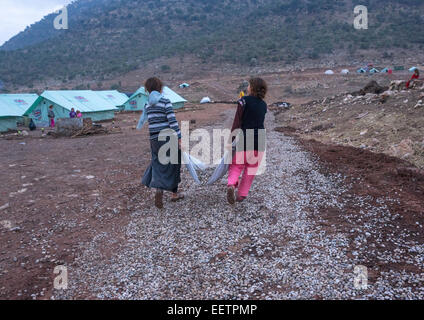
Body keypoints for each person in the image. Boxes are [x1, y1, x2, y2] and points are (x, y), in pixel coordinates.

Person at [141, 77, 184, 209]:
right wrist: (179, 137)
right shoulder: (165, 101)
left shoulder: (147, 105)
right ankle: (174, 194)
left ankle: (159, 188)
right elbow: (172, 121)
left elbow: (150, 123)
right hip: (167, 136)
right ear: (160, 88)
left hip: (154, 139)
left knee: (158, 163)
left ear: (148, 90)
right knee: (174, 163)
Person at [226, 78, 268, 204]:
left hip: (246, 137)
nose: (247, 87)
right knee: (251, 169)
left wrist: (231, 139)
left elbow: (237, 122)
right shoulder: (263, 105)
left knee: (236, 165)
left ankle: (231, 184)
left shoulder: (243, 102)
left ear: (252, 88)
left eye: (249, 85)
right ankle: (242, 195)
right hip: (260, 139)